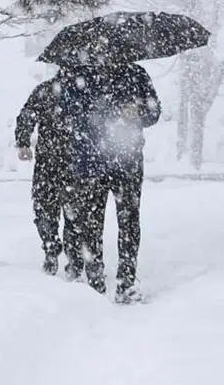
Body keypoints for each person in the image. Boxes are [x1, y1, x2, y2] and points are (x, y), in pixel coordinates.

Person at [61, 62, 160, 304]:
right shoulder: (79, 76)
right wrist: (96, 116)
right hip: (92, 161)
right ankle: (95, 281)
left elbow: (154, 112)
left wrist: (138, 112)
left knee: (128, 221)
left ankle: (126, 282)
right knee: (91, 223)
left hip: (127, 162)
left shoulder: (136, 74)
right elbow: (66, 113)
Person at [14, 73, 82, 280]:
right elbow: (28, 115)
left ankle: (54, 250)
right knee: (72, 212)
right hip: (72, 161)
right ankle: (69, 256)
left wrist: (24, 141)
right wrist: (23, 141)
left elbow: (27, 114)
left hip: (53, 160)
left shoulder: (47, 90)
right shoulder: (82, 91)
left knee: (47, 210)